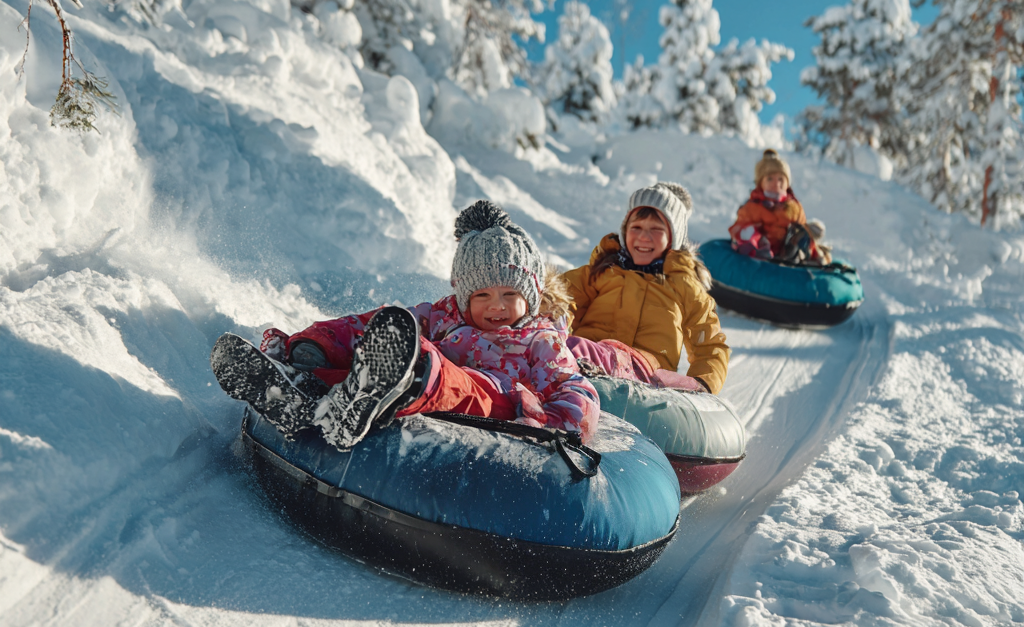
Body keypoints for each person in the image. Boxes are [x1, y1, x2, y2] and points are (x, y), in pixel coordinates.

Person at [210, 200, 600, 449]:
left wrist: (553, 424)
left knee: (439, 368)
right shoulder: (443, 315)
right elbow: (382, 328)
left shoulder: (539, 340)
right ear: (464, 296)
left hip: (493, 401)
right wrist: (320, 341)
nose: (496, 307)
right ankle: (305, 382)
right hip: (420, 378)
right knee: (392, 328)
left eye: (509, 295)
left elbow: (575, 386)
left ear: (529, 296)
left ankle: (401, 380)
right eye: (481, 296)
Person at [558, 182, 730, 395]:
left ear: (672, 238)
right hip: (585, 357)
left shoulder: (684, 286)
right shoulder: (601, 271)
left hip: (644, 373)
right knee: (560, 346)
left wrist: (703, 382)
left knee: (574, 348)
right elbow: (560, 299)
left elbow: (710, 344)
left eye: (656, 230)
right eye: (636, 228)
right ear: (624, 231)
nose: (643, 237)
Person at [729, 149, 819, 262]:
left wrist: (808, 236)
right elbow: (738, 229)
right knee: (747, 235)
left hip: (787, 256)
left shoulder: (795, 208)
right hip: (759, 258)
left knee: (801, 233)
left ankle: (810, 260)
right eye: (770, 179)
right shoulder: (752, 207)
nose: (776, 183)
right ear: (760, 183)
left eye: (781, 179)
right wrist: (750, 235)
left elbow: (802, 229)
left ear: (787, 184)